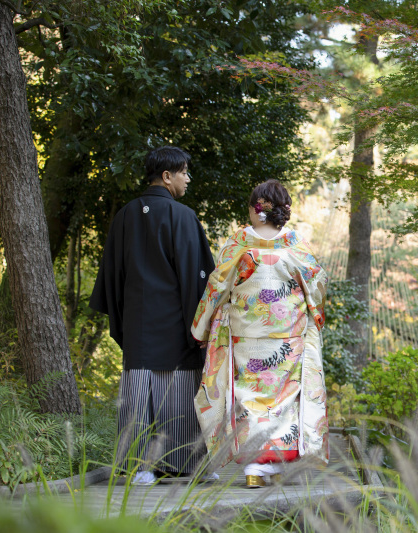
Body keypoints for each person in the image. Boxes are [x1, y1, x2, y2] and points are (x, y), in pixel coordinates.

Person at [90, 146, 216, 485]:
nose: (187, 179)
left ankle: (137, 467)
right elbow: (196, 277)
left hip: (135, 321)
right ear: (166, 176)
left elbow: (112, 278)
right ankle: (181, 463)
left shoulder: (125, 216)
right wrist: (200, 328)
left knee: (137, 390)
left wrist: (123, 320)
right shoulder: (182, 216)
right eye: (184, 172)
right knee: (177, 386)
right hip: (176, 323)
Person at [191, 179, 329, 488]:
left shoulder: (239, 241)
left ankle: (255, 466)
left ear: (257, 210)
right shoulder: (296, 243)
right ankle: (272, 464)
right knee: (282, 399)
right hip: (287, 336)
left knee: (249, 397)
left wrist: (201, 326)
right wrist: (313, 315)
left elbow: (217, 286)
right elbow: (317, 286)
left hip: (245, 336)